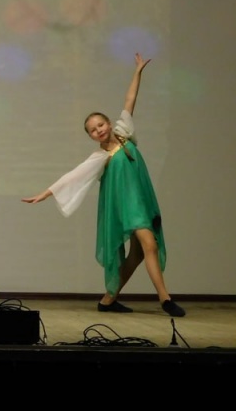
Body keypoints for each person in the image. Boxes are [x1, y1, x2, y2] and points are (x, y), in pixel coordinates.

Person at [21, 53, 185, 317]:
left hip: (141, 201)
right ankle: (165, 299)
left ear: (109, 123)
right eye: (93, 130)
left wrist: (138, 72)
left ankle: (108, 300)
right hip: (127, 209)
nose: (98, 130)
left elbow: (130, 100)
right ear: (91, 136)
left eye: (100, 124)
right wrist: (45, 193)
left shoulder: (125, 132)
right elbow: (72, 176)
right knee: (150, 244)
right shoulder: (100, 157)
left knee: (137, 255)